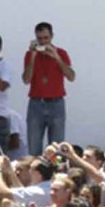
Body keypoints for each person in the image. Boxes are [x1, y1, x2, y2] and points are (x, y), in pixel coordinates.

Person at [22, 22, 75, 155]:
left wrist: (56, 57)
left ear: (52, 37)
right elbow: (26, 80)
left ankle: (55, 173)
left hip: (56, 103)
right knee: (34, 145)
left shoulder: (61, 53)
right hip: (36, 103)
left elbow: (71, 76)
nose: (43, 42)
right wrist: (33, 56)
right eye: (40, 39)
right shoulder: (30, 55)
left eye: (46, 38)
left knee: (57, 148)